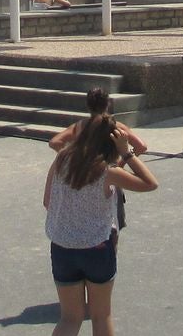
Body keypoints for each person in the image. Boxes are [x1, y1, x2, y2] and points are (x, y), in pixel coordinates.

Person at [36, 111, 158, 336]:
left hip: (62, 248)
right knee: (101, 315)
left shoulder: (63, 160)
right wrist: (127, 153)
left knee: (69, 318)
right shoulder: (106, 172)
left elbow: (47, 200)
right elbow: (150, 183)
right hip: (96, 249)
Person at [49, 87, 149, 234]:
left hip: (82, 172)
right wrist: (121, 162)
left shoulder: (80, 126)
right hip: (110, 175)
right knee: (112, 225)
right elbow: (141, 146)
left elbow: (54, 142)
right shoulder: (115, 126)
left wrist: (72, 156)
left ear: (88, 105)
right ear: (107, 104)